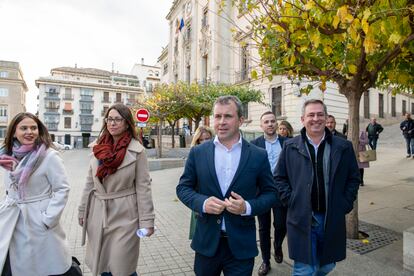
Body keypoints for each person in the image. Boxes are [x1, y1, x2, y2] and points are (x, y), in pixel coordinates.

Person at [176, 95, 277, 276]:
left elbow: (271, 194)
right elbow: (183, 188)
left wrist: (246, 207)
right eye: (217, 116)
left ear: (240, 120)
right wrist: (203, 203)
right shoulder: (198, 153)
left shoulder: (258, 155)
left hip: (241, 246)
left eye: (228, 116)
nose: (221, 122)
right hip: (207, 244)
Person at [275, 99, 360, 275]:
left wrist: (344, 203)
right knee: (304, 269)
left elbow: (353, 178)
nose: (316, 119)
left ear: (326, 117)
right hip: (302, 217)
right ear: (302, 119)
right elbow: (279, 178)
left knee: (327, 265)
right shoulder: (290, 146)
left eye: (320, 114)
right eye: (311, 115)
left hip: (331, 218)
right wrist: (291, 200)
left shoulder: (343, 146)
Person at [78, 103, 155, 276]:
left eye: (117, 119)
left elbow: (143, 188)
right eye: (109, 119)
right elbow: (89, 183)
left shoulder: (137, 151)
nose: (112, 123)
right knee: (102, 265)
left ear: (127, 123)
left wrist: (147, 221)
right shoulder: (97, 148)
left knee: (122, 267)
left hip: (125, 215)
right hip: (98, 211)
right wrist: (83, 210)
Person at [0, 112, 72, 275]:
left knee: (41, 266)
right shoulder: (6, 156)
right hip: (11, 219)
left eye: (33, 128)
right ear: (14, 132)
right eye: (23, 128)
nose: (29, 132)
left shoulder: (49, 156)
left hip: (37, 220)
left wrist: (48, 219)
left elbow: (62, 188)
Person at [251, 111, 287, 276]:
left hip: (281, 192)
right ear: (261, 125)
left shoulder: (287, 143)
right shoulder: (254, 144)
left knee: (281, 225)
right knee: (263, 229)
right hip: (262, 193)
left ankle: (278, 246)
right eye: (266, 122)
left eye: (273, 121)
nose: (270, 124)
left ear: (277, 123)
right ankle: (266, 261)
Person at [189, 126, 214, 239]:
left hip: (215, 195)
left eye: (207, 139)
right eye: (201, 140)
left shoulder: (217, 153)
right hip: (200, 198)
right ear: (197, 141)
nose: (204, 142)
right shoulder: (194, 155)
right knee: (200, 232)